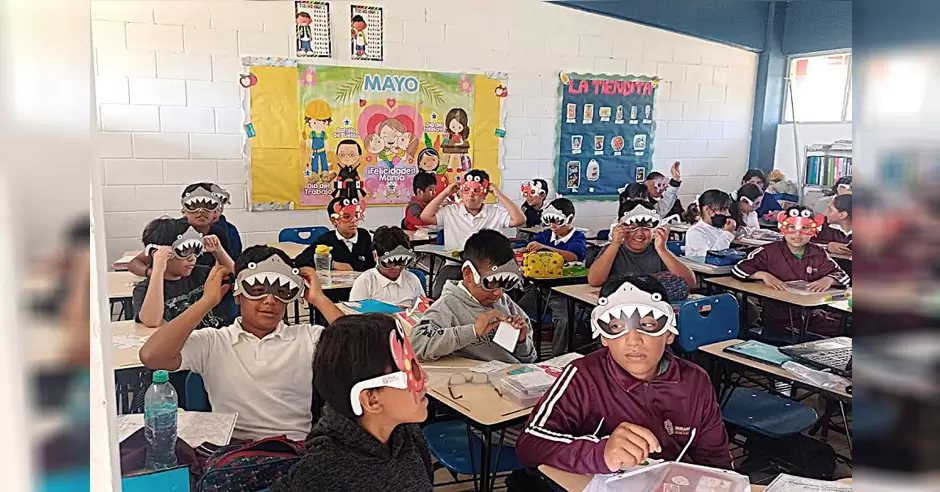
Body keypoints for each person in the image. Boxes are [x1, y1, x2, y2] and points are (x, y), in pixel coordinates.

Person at [515, 275, 732, 473]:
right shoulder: (584, 376)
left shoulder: (695, 381)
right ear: (604, 337)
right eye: (617, 326)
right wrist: (601, 453)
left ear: (668, 333)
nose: (633, 340)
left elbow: (717, 461)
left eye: (647, 324)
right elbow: (529, 443)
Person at [138, 246, 344, 442]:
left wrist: (319, 298)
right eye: (257, 290)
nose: (270, 300)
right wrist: (206, 301)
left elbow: (360, 350)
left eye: (282, 291)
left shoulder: (309, 337)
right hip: (234, 451)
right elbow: (152, 357)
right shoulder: (213, 342)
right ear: (237, 295)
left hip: (296, 449)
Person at [272, 314, 433, 492]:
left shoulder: (408, 435)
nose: (424, 377)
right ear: (371, 400)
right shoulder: (322, 473)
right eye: (411, 371)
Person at [410, 229, 536, 363]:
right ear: (468, 274)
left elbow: (530, 359)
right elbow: (416, 344)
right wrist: (473, 331)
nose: (499, 293)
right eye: (491, 283)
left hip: (514, 372)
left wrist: (521, 341)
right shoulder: (447, 306)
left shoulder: (505, 302)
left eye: (506, 283)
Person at [732, 205, 851, 336]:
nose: (797, 234)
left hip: (814, 313)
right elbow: (739, 269)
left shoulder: (819, 253)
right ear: (782, 228)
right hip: (781, 318)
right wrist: (764, 275)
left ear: (813, 230)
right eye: (791, 227)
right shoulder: (768, 251)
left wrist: (828, 279)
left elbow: (843, 277)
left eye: (805, 228)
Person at [419, 169, 526, 297]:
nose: (471, 195)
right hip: (456, 265)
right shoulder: (451, 211)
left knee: (503, 292)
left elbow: (519, 220)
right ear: (461, 192)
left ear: (485, 195)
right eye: (466, 190)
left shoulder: (495, 212)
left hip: (489, 268)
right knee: (440, 292)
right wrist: (446, 192)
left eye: (476, 191)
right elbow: (425, 216)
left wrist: (498, 194)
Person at [133, 217, 235, 328]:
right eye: (184, 251)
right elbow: (151, 321)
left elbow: (234, 276)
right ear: (159, 254)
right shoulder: (144, 289)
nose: (192, 258)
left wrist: (218, 251)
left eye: (195, 250)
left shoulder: (202, 273)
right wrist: (158, 269)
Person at [517, 199, 588, 356]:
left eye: (557, 221)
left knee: (564, 319)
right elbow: (534, 243)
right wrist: (524, 250)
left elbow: (574, 256)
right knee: (517, 311)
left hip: (564, 290)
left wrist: (545, 248)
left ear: (569, 219)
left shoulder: (578, 237)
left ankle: (557, 356)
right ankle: (523, 351)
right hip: (540, 287)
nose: (552, 226)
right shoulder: (547, 234)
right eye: (549, 221)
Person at [126, 183, 234, 277]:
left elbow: (230, 269)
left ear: (216, 210)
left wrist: (218, 251)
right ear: (184, 210)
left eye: (208, 205)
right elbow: (134, 263)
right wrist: (157, 274)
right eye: (193, 205)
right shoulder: (174, 230)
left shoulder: (220, 233)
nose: (201, 210)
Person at [587, 200, 695, 288]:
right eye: (633, 227)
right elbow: (594, 281)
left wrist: (662, 250)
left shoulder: (658, 251)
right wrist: (615, 244)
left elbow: (690, 283)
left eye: (646, 228)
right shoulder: (612, 250)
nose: (639, 234)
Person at [349, 226, 425, 306]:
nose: (397, 267)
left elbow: (423, 309)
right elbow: (354, 311)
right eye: (390, 262)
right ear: (375, 256)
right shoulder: (365, 282)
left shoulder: (412, 280)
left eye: (402, 261)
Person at [296, 196, 375, 272]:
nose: (353, 220)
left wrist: (353, 267)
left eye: (356, 215)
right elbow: (301, 260)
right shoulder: (325, 240)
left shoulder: (364, 236)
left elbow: (372, 263)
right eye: (347, 216)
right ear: (334, 220)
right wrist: (332, 264)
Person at [682, 190, 736, 258]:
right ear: (708, 210)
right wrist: (728, 234)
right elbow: (712, 257)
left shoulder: (719, 229)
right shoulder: (695, 232)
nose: (727, 213)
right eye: (723, 209)